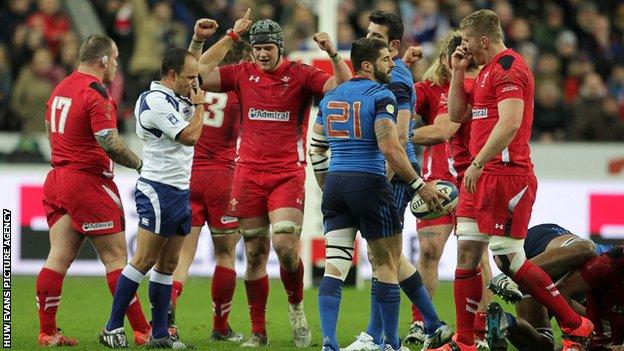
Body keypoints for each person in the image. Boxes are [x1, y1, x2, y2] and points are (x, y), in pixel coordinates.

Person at [431, 9, 593, 351]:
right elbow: (457, 114)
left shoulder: (509, 68)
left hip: (507, 175)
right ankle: (465, 340)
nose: (465, 48)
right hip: (482, 175)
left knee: (509, 260)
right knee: (466, 254)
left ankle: (576, 324)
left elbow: (510, 123)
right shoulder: (486, 71)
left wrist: (477, 161)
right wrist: (459, 72)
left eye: (468, 42)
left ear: (484, 40)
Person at [196, 15, 353, 347]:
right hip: (248, 174)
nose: (262, 55)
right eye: (256, 49)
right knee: (254, 253)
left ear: (280, 48)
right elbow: (197, 72)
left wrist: (333, 55)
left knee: (285, 248)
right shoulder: (241, 73)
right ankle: (258, 331)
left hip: (286, 173)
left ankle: (296, 309)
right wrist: (230, 36)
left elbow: (343, 86)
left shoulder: (300, 75)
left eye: (267, 48)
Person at [310, 37, 447, 351]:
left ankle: (329, 344)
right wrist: (419, 185)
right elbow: (390, 148)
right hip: (370, 184)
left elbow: (316, 147)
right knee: (387, 263)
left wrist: (325, 183)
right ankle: (392, 345)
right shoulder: (381, 95)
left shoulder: (330, 96)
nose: (392, 64)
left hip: (336, 186)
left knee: (335, 265)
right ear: (367, 65)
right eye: (387, 59)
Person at [38, 34, 149, 347]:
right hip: (88, 181)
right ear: (103, 60)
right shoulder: (95, 93)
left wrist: (66, 158)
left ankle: (47, 333)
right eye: (113, 59)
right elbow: (109, 142)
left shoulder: (61, 87)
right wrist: (142, 165)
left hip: (58, 178)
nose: (116, 64)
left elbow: (49, 128)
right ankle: (143, 330)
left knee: (57, 257)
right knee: (116, 258)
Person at [99, 47, 207, 349]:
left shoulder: (176, 96)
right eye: (189, 78)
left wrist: (198, 41)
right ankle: (111, 327)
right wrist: (199, 107)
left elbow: (197, 63)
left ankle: (159, 334)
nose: (194, 83)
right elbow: (190, 137)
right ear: (172, 75)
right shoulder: (155, 101)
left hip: (179, 189)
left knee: (168, 265)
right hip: (158, 189)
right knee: (144, 259)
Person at [405, 30, 493, 348]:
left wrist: (397, 138)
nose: (460, 61)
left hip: (472, 180)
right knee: (429, 252)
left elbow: (442, 130)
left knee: (476, 258)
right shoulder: (426, 89)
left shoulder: (479, 86)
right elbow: (401, 109)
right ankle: (423, 322)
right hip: (436, 183)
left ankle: (480, 330)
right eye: (454, 55)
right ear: (444, 58)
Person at [167, 16, 253, 342]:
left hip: (189, 175)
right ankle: (220, 327)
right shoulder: (241, 90)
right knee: (225, 256)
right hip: (223, 179)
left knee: (181, 257)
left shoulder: (194, 85)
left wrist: (220, 38)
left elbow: (198, 64)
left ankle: (169, 319)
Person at [485, 223, 606, 351]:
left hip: (551, 286)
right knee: (586, 249)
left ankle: (505, 321)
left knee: (542, 344)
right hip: (547, 249)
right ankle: (515, 275)